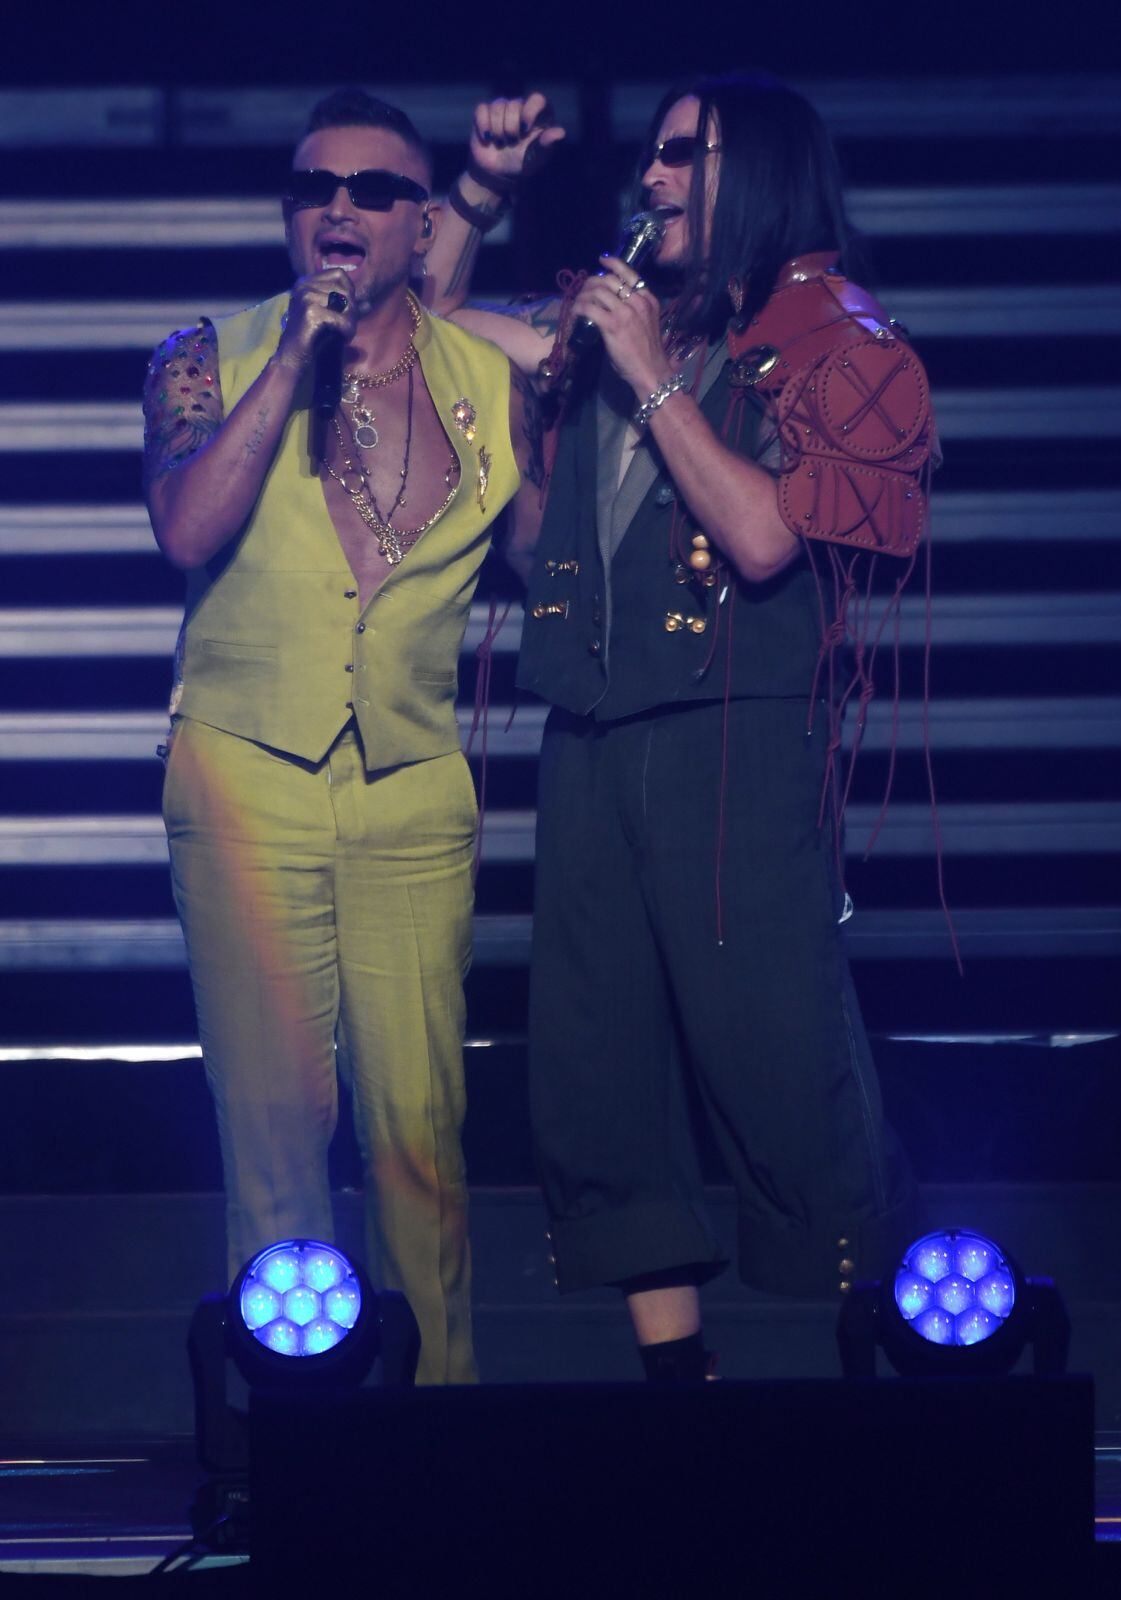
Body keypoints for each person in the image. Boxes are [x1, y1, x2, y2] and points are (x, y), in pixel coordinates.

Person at [438, 74, 929, 1379]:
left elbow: (767, 536)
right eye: (648, 159)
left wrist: (653, 377)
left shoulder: (834, 334)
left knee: (777, 1042)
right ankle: (679, 1382)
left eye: (679, 158)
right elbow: (426, 315)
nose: (648, 180)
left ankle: (889, 1360)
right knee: (597, 1065)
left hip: (733, 730)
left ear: (754, 173)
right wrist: (480, 191)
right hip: (594, 725)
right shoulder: (620, 323)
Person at [143, 88, 546, 1384]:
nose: (337, 208)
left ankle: (441, 1434)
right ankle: (292, 1448)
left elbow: (553, 562)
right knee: (276, 1134)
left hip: (413, 787)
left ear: (420, 222)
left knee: (420, 1138)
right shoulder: (205, 354)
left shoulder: (495, 377)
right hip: (247, 772)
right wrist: (292, 368)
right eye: (314, 186)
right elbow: (188, 532)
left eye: (374, 190)